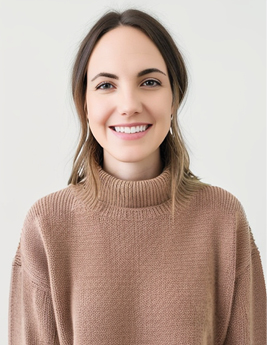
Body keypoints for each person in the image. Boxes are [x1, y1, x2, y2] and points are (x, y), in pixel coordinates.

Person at [8, 9, 266, 345]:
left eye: (149, 82)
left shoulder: (223, 219)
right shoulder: (46, 226)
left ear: (173, 98)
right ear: (85, 104)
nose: (128, 104)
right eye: (105, 85)